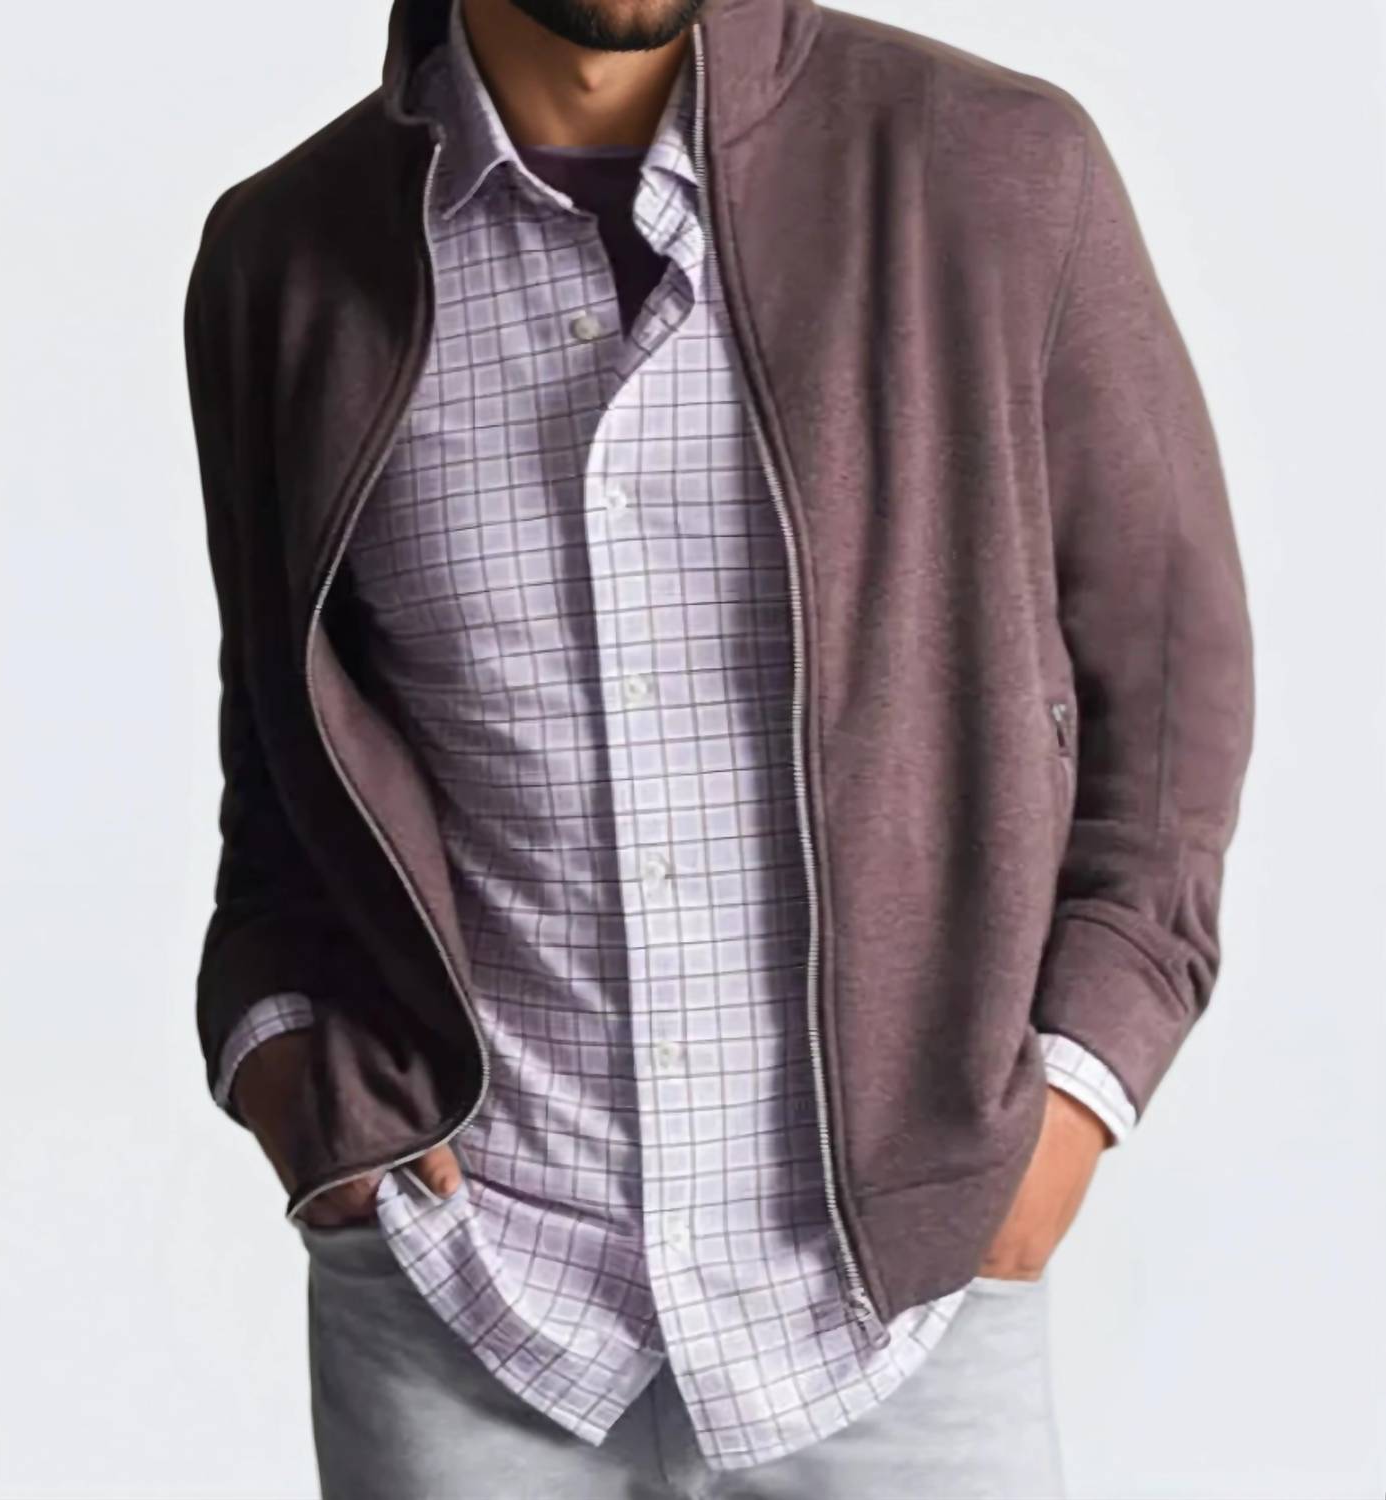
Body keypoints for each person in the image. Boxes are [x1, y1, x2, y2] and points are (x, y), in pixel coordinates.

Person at [181, 0, 1254, 1493]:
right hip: (465, 1297)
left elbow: (1169, 676)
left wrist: (1073, 1093)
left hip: (897, 1300)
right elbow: (283, 747)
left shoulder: (994, 171)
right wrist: (297, 1081)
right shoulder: (286, 257)